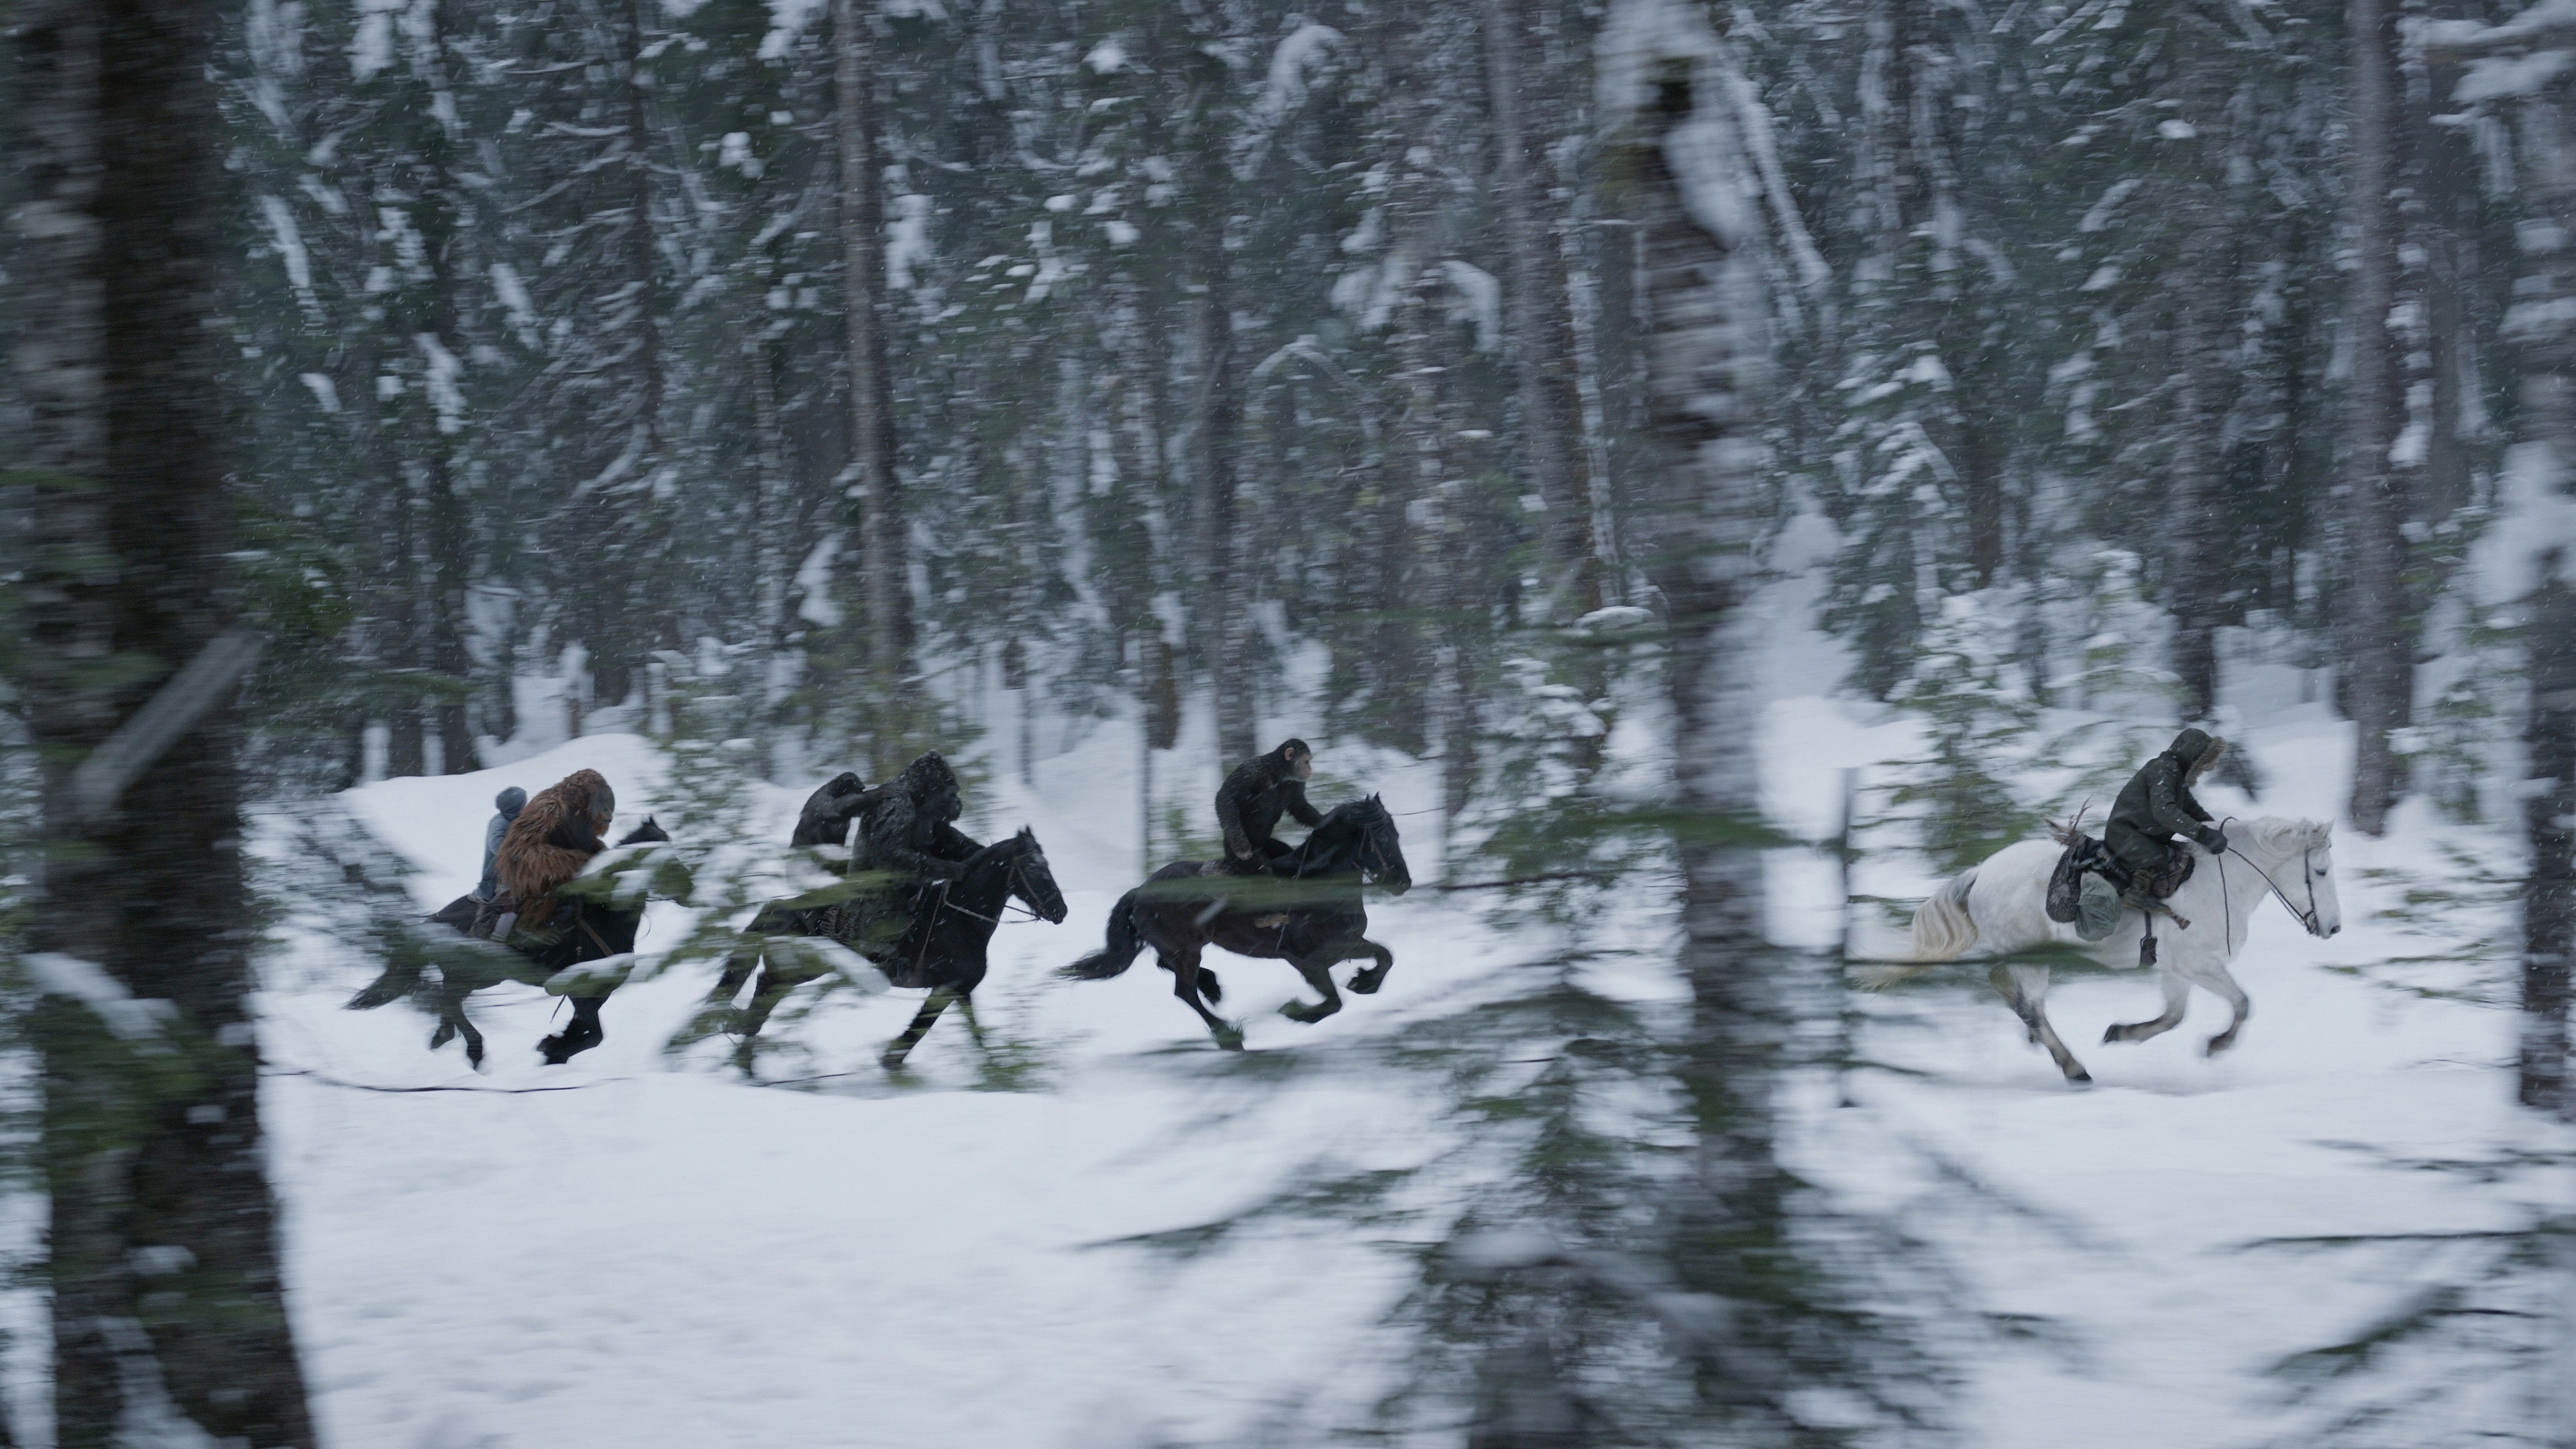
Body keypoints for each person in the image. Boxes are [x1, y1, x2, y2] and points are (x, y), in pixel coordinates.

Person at [846, 753, 983, 955]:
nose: (956, 802)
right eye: (951, 795)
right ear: (933, 789)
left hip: (905, 896)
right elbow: (890, 858)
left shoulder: (924, 808)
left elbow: (952, 843)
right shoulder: (897, 802)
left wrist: (987, 857)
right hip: (872, 901)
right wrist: (946, 869)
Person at [2103, 727, 2230, 912]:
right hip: (2124, 834)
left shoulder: (2176, 774)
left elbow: (2190, 808)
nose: (2204, 770)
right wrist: (2203, 834)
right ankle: (2136, 894)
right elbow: (2164, 811)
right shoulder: (2163, 769)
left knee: (2181, 856)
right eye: (2203, 764)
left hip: (2142, 833)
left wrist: (2215, 828)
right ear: (2193, 757)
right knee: (2158, 857)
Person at [493, 768, 618, 936]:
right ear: (585, 799)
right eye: (602, 805)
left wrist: (604, 857)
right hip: (533, 880)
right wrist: (578, 862)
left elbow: (583, 843)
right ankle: (529, 927)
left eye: (608, 805)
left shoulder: (580, 814)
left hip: (563, 876)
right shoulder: (551, 806)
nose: (607, 812)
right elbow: (517, 852)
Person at [1214, 737, 1320, 876]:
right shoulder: (1254, 769)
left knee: (1297, 864)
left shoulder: (1294, 783)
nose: (1310, 769)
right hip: (1238, 847)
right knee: (1265, 874)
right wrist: (1239, 843)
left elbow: (1301, 810)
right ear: (1289, 755)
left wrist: (1326, 823)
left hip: (1262, 843)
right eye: (1306, 762)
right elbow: (1224, 799)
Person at [464, 786, 529, 938]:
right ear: (515, 807)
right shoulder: (499, 822)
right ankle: (495, 938)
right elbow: (497, 847)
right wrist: (522, 854)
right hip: (498, 876)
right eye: (523, 805)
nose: (525, 808)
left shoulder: (517, 820)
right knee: (508, 905)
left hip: (515, 873)